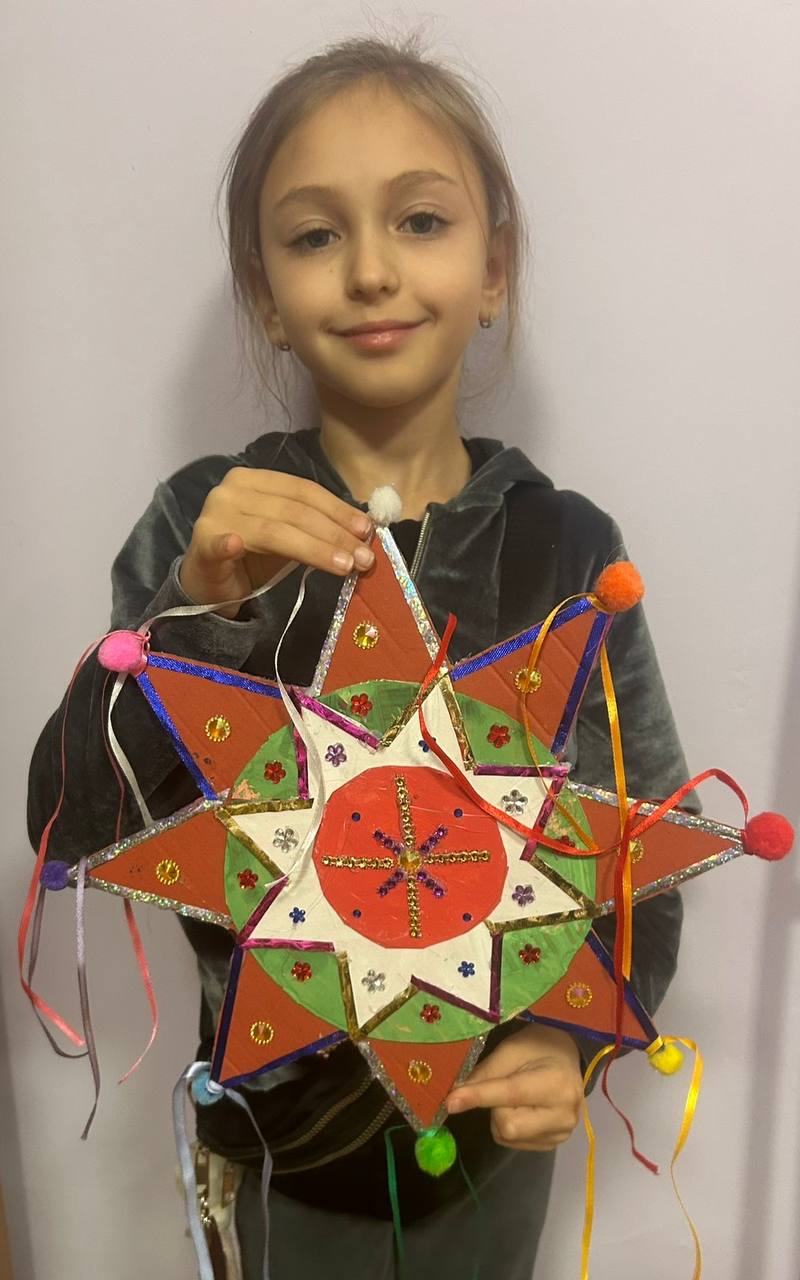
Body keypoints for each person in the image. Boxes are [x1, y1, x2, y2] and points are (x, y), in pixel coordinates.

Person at [26, 31, 695, 1280]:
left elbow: (640, 849)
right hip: (278, 1154)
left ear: (492, 269)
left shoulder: (564, 547)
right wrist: (196, 609)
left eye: (421, 220)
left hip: (491, 1147)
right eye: (315, 234)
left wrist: (565, 1036)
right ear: (264, 291)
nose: (373, 269)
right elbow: (71, 827)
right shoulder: (204, 526)